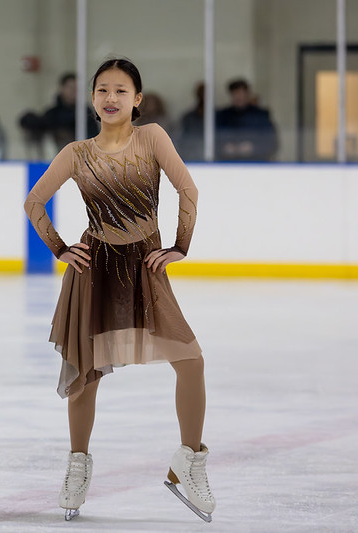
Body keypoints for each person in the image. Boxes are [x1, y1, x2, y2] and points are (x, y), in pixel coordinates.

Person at [24, 58, 215, 523]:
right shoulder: (77, 152)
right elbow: (34, 201)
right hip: (94, 268)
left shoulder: (151, 138)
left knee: (190, 361)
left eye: (121, 90)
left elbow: (187, 189)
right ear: (92, 98)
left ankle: (188, 463)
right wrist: (60, 248)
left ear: (138, 99)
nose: (111, 98)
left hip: (145, 266)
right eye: (102, 90)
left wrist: (179, 246)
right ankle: (77, 466)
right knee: (84, 372)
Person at [215, 78, 278, 161]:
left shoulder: (261, 115)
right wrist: (225, 147)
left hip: (256, 164)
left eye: (241, 93)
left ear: (248, 94)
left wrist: (253, 148)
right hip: (229, 165)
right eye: (235, 94)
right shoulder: (222, 116)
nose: (238, 97)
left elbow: (272, 143)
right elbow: (215, 141)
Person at [42, 73, 100, 151]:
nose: (73, 91)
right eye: (70, 87)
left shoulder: (85, 112)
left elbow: (94, 136)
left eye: (76, 88)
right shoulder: (53, 113)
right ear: (62, 88)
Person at [176, 82, 206, 162]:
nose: (204, 97)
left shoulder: (217, 117)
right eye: (202, 94)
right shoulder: (188, 118)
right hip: (191, 157)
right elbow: (182, 139)